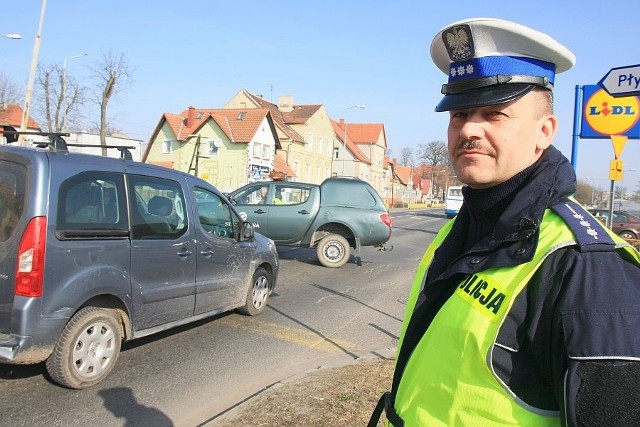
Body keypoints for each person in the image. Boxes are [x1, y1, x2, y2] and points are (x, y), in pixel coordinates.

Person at [370, 18, 640, 427]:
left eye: (494, 115)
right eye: (459, 114)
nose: (469, 129)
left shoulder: (586, 267)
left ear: (544, 131)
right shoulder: (461, 228)